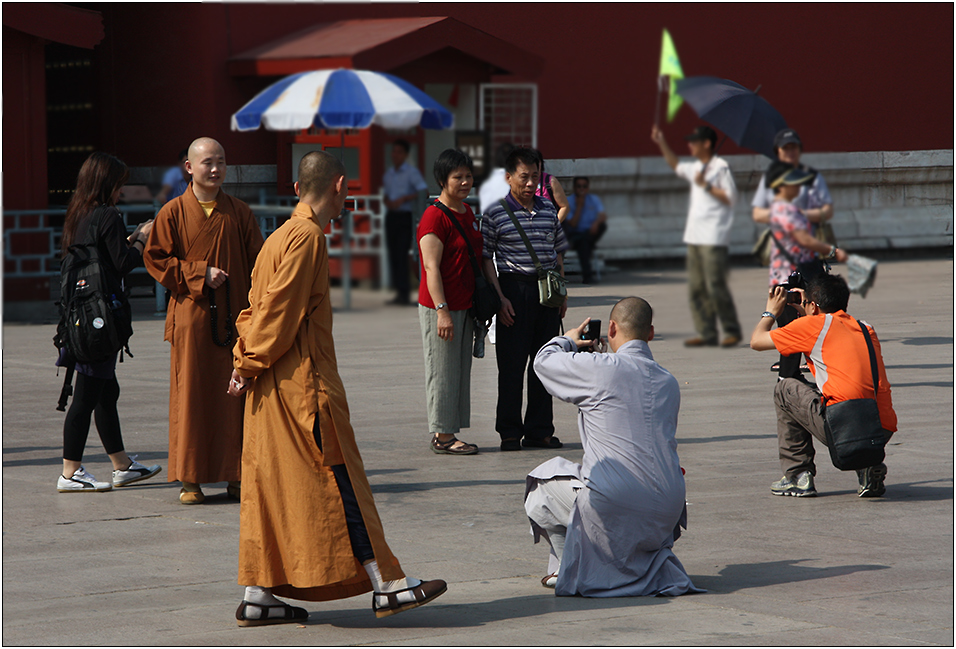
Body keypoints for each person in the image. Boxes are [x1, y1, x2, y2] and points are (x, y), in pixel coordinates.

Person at [228, 150, 446, 626]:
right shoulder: (307, 238)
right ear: (340, 187)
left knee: (276, 490)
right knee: (339, 481)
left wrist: (244, 361)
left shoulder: (278, 237)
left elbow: (251, 309)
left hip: (271, 389)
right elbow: (280, 314)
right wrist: (247, 362)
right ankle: (386, 584)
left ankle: (258, 592)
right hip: (303, 389)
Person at [525, 298, 702, 597]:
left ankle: (566, 567)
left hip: (618, 501)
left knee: (539, 487)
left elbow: (543, 362)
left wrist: (567, 341)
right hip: (669, 507)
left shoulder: (600, 368)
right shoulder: (668, 381)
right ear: (650, 333)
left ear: (611, 328)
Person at [144, 137, 264, 505]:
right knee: (192, 398)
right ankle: (191, 479)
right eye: (208, 162)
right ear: (189, 167)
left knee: (235, 398)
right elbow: (157, 259)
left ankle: (236, 475)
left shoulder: (239, 212)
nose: (215, 169)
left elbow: (259, 262)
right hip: (193, 322)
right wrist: (198, 273)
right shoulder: (173, 213)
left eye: (221, 162)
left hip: (233, 320)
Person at [56, 152, 162, 493]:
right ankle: (70, 472)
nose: (122, 189)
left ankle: (122, 465)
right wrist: (143, 237)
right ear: (108, 183)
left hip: (80, 317)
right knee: (86, 397)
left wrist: (128, 239)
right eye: (119, 183)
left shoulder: (79, 215)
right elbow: (121, 263)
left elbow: (99, 257)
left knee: (106, 393)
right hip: (98, 322)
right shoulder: (109, 215)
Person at [749, 273, 897, 498]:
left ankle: (798, 476)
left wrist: (771, 311)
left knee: (785, 388)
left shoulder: (812, 326)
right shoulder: (865, 327)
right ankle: (867, 467)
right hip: (880, 427)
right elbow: (825, 327)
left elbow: (757, 341)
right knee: (846, 388)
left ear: (813, 306)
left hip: (843, 427)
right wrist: (807, 308)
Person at [482, 146, 569, 452]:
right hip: (513, 292)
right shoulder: (494, 213)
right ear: (508, 178)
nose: (531, 183)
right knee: (511, 366)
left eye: (535, 176)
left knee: (545, 364)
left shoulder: (548, 210)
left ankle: (539, 431)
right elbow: (486, 259)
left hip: (545, 293)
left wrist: (562, 292)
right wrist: (500, 298)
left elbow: (558, 251)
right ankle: (509, 432)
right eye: (524, 176)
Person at [651, 124, 742, 348]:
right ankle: (706, 331)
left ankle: (730, 329)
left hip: (713, 238)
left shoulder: (720, 167)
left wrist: (708, 186)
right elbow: (676, 165)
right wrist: (661, 142)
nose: (690, 145)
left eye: (694, 141)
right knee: (696, 288)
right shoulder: (696, 167)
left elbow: (731, 198)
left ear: (707, 144)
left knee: (716, 285)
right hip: (695, 237)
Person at [418, 149, 483, 455]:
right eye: (458, 177)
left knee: (458, 370)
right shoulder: (434, 216)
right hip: (440, 307)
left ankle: (451, 429)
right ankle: (443, 436)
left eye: (468, 175)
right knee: (442, 370)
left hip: (464, 304)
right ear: (443, 180)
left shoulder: (467, 213)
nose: (465, 181)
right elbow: (431, 267)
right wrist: (442, 311)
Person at [763, 161, 849, 380]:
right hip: (789, 278)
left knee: (812, 323)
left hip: (808, 275)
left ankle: (800, 373)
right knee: (791, 325)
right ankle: (788, 378)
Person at [752, 128, 834, 235]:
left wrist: (802, 214)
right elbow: (757, 214)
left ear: (800, 149)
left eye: (794, 147)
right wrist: (783, 213)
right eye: (786, 148)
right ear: (778, 151)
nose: (790, 152)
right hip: (779, 241)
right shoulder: (769, 177)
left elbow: (828, 210)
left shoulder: (812, 176)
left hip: (810, 238)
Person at [383, 139, 428, 305]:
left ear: (406, 154)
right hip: (391, 216)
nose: (395, 155)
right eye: (393, 151)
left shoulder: (411, 172)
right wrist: (388, 201)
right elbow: (387, 194)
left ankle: (404, 292)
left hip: (405, 216)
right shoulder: (389, 174)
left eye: (399, 152)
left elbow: (423, 190)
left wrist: (404, 198)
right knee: (393, 254)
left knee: (402, 254)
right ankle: (398, 292)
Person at [478, 142, 514, 346]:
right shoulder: (510, 181)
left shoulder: (486, 183)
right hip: (508, 240)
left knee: (493, 286)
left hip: (490, 236)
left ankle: (491, 329)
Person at [563, 176, 608, 284]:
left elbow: (602, 215)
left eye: (584, 186)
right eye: (579, 186)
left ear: (588, 188)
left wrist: (596, 224)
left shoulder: (593, 199)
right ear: (574, 188)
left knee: (601, 227)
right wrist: (579, 206)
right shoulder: (569, 201)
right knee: (583, 243)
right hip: (575, 233)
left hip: (590, 232)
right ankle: (588, 276)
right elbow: (572, 224)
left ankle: (588, 243)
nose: (581, 189)